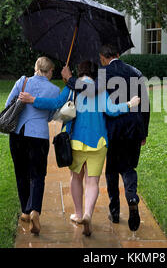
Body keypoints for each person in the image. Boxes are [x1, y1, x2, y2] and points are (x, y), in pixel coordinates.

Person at [19, 60, 140, 236]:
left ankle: (77, 213)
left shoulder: (71, 88)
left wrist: (33, 99)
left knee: (76, 178)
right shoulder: (100, 89)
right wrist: (129, 104)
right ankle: (88, 215)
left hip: (75, 141)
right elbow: (112, 110)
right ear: (94, 73)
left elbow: (55, 104)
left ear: (79, 71)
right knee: (92, 181)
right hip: (98, 143)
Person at [61, 44, 150, 232]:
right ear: (118, 54)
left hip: (113, 127)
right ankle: (132, 197)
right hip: (134, 127)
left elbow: (88, 90)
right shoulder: (136, 72)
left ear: (102, 57)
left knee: (111, 169)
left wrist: (69, 79)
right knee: (128, 167)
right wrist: (144, 132)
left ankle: (115, 211)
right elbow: (146, 105)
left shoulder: (102, 74)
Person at [5, 56, 60, 235]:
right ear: (50, 71)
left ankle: (25, 211)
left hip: (18, 134)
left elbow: (8, 105)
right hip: (39, 136)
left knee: (21, 173)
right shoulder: (54, 90)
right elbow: (51, 114)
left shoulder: (22, 81)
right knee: (38, 175)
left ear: (36, 68)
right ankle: (35, 209)